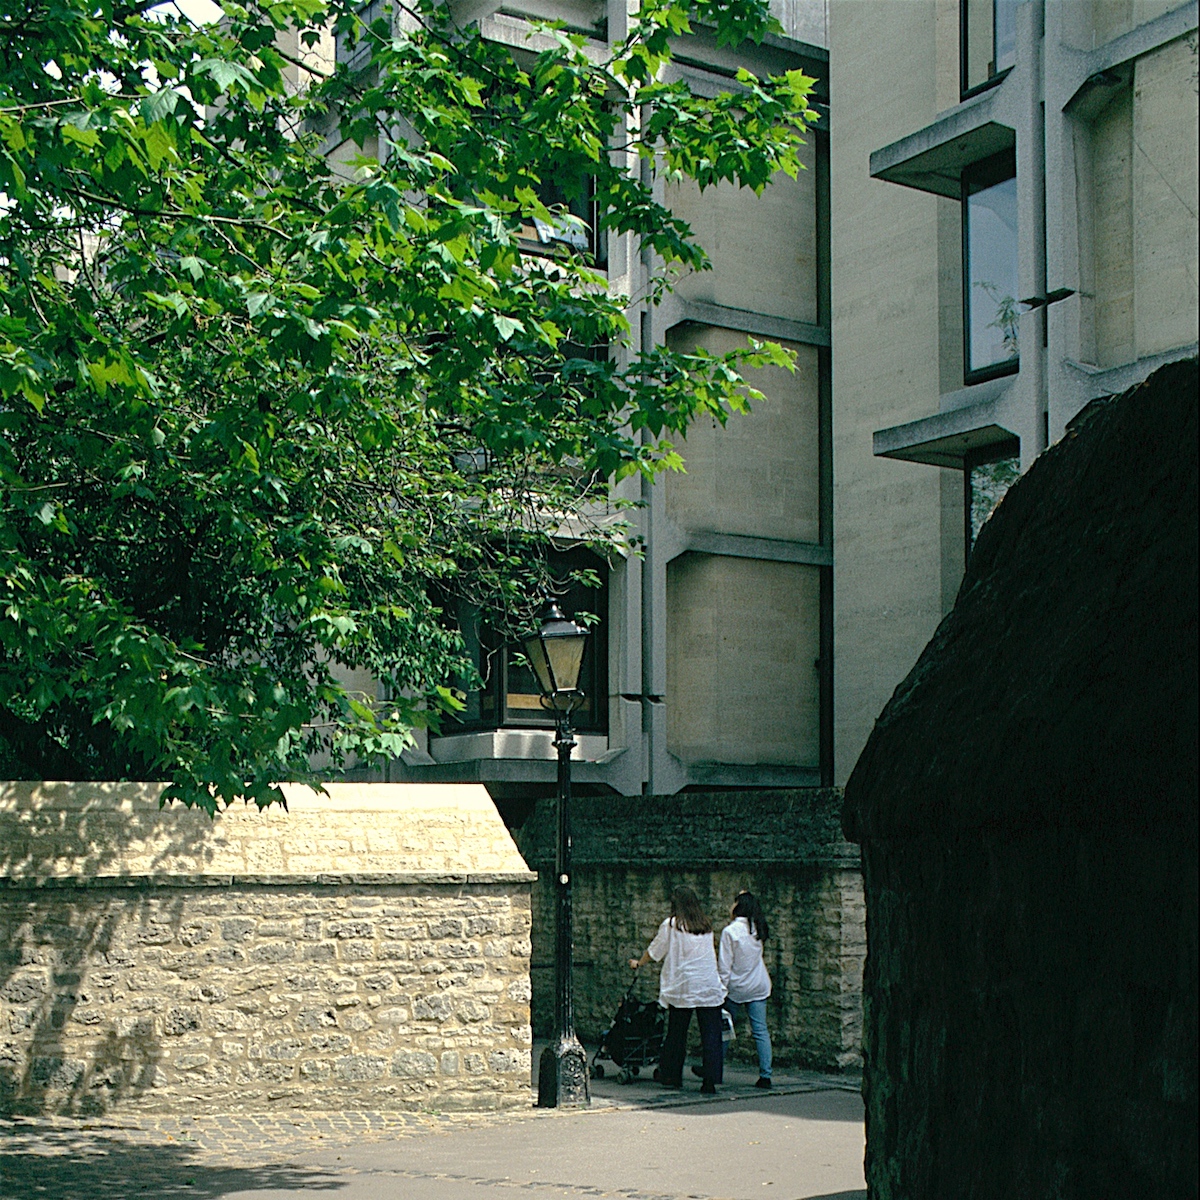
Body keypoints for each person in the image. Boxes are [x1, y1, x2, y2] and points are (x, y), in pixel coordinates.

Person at [629, 885, 726, 1094]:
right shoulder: (705, 925)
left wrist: (639, 963)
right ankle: (710, 1079)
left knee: (677, 1033)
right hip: (708, 985)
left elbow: (655, 950)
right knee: (710, 1035)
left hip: (684, 985)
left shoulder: (672, 925)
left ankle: (672, 1076)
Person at [718, 890, 773, 1088]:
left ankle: (716, 1069)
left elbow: (725, 965)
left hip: (737, 987)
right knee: (760, 1030)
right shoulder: (758, 928)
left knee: (724, 1028)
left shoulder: (730, 932)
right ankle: (766, 1075)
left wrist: (721, 990)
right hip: (758, 984)